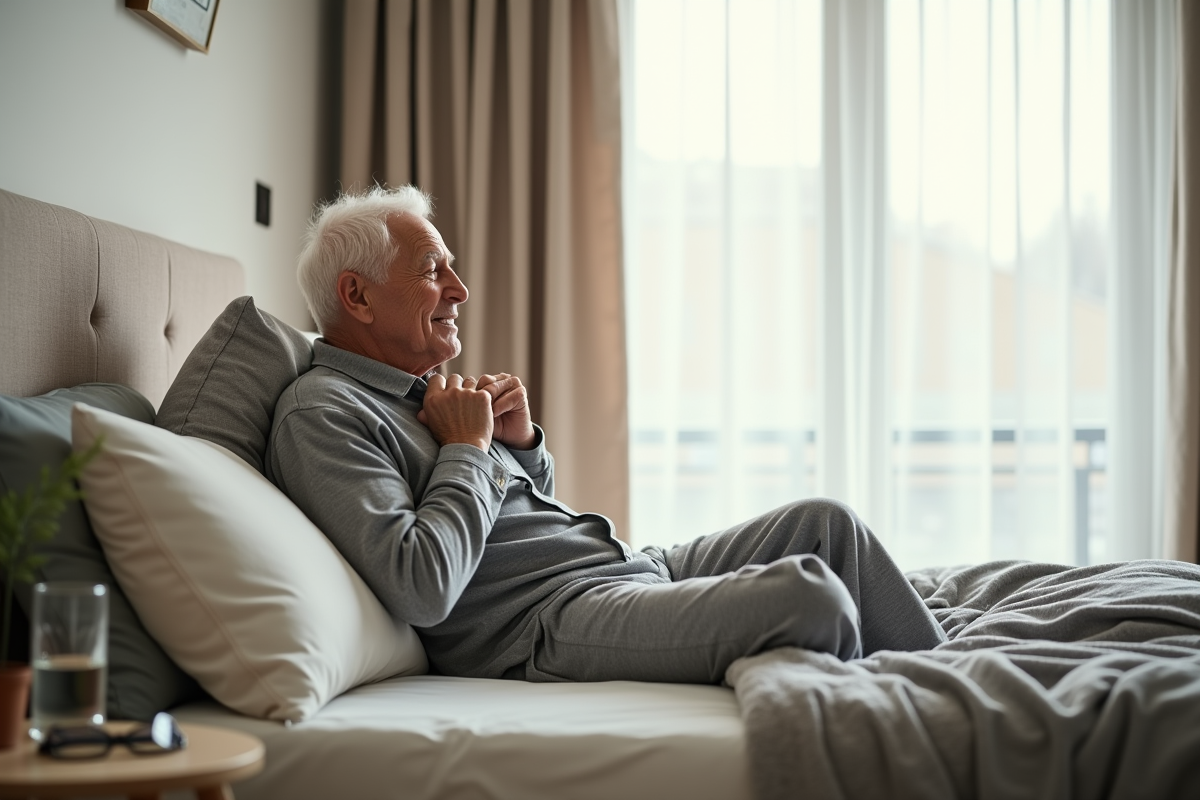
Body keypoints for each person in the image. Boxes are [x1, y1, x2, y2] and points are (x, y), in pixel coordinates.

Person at [266, 186, 947, 684]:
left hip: (626, 564)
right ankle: (932, 711)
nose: (461, 289)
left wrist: (519, 445)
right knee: (811, 597)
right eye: (431, 270)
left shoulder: (422, 393)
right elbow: (423, 587)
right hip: (554, 619)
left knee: (829, 526)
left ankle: (951, 680)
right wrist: (468, 451)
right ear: (357, 297)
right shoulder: (323, 414)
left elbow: (516, 523)